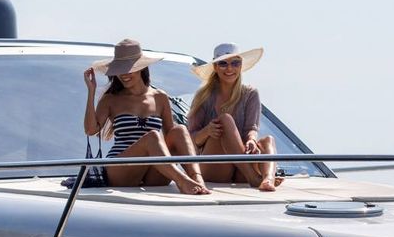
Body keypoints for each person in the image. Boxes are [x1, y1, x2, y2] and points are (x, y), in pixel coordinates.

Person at [83, 39, 210, 194]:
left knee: (180, 130)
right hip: (120, 169)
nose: (124, 74)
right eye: (120, 70)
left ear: (141, 67)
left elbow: (172, 136)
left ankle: (197, 179)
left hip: (153, 171)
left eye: (129, 69)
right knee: (153, 137)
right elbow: (91, 130)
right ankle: (183, 181)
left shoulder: (160, 97)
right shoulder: (111, 99)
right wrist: (91, 92)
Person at [188, 43, 279, 191]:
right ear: (215, 67)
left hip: (241, 168)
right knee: (225, 120)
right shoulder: (204, 96)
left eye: (235, 63)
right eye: (223, 64)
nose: (229, 69)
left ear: (241, 65)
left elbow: (251, 129)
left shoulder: (250, 93)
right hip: (215, 167)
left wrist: (251, 140)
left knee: (268, 140)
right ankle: (255, 178)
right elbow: (190, 140)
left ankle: (268, 179)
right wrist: (207, 131)